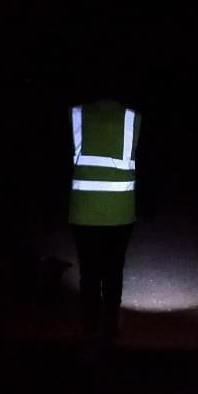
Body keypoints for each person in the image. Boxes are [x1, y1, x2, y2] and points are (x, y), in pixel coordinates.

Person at [68, 89, 142, 353]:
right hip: (120, 212)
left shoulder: (76, 114)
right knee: (113, 272)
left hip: (83, 211)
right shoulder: (132, 118)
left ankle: (90, 329)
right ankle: (110, 328)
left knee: (89, 273)